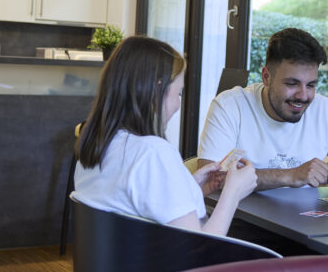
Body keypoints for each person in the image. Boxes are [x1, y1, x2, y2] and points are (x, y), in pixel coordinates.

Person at [71, 36, 257, 236]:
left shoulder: (97, 147)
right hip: (168, 266)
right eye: (178, 94)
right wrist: (233, 192)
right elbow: (198, 246)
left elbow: (135, 205)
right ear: (158, 90)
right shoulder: (153, 152)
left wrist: (190, 187)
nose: (178, 105)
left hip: (115, 266)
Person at [196, 27, 328, 188]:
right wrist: (290, 175)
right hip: (242, 223)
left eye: (311, 85)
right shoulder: (229, 106)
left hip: (306, 224)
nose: (303, 95)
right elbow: (210, 179)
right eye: (292, 84)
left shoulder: (326, 110)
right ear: (266, 77)